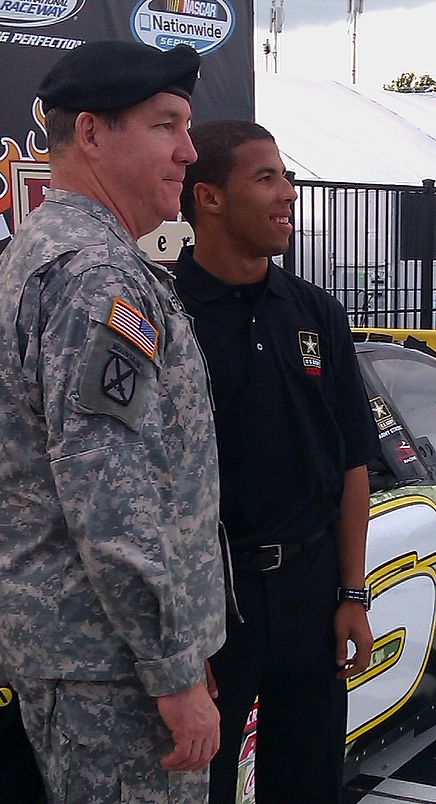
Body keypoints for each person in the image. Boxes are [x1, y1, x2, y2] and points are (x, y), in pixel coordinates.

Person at [0, 41, 226, 804]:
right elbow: (109, 496)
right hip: (111, 671)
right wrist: (171, 668)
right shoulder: (95, 276)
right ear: (91, 134)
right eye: (166, 126)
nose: (189, 151)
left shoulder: (62, 252)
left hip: (101, 658)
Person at [174, 120, 380, 804]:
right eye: (266, 178)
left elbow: (352, 458)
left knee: (307, 780)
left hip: (311, 590)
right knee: (199, 784)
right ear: (208, 197)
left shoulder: (317, 313)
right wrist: (181, 635)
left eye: (286, 177)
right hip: (213, 599)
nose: (287, 193)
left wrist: (352, 593)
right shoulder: (162, 314)